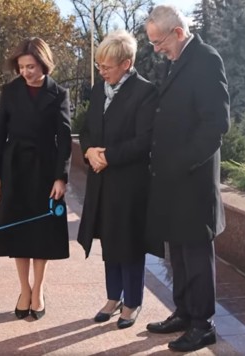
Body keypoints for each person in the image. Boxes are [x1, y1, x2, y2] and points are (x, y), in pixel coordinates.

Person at [143, 5, 230, 352]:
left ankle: (202, 324)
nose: (155, 49)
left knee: (195, 254)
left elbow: (216, 126)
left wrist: (180, 164)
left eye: (158, 42)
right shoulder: (177, 60)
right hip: (172, 180)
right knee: (176, 252)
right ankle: (182, 312)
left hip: (193, 181)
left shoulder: (207, 60)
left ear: (178, 33)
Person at [77, 30, 158, 329]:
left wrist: (107, 156)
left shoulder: (145, 92)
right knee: (109, 240)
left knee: (129, 242)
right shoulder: (100, 89)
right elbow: (85, 129)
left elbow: (145, 140)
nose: (101, 71)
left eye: (106, 66)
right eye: (99, 66)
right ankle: (114, 297)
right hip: (101, 180)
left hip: (129, 182)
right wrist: (89, 151)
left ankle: (132, 301)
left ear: (126, 63)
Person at [0, 37, 72, 321]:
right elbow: (0, 134)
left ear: (43, 64)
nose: (26, 72)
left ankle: (40, 290)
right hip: (15, 170)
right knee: (17, 231)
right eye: (22, 67)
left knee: (42, 232)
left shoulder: (59, 93)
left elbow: (64, 140)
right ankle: (24, 290)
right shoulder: (10, 92)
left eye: (31, 66)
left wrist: (61, 178)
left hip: (46, 172)